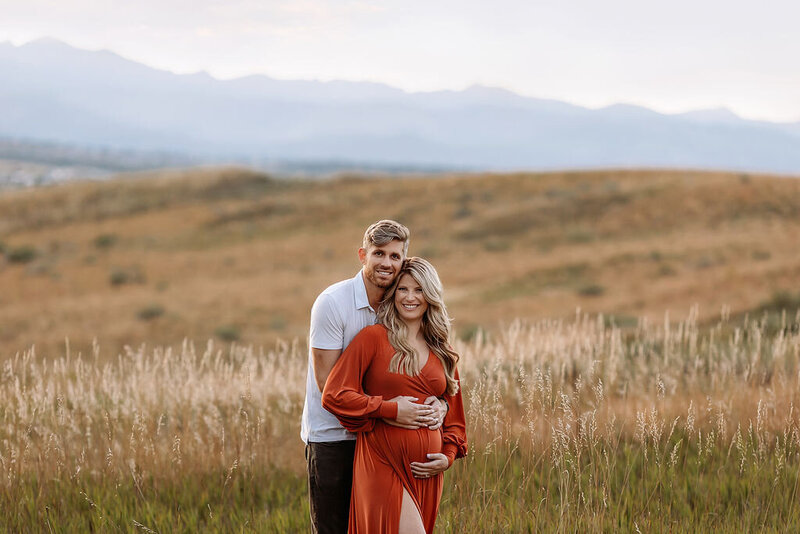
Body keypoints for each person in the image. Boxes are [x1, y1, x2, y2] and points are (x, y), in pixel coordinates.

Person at [301, 221, 447, 534]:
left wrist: (439, 407)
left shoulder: (400, 305)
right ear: (362, 255)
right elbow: (328, 386)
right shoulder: (332, 303)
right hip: (334, 439)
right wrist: (391, 412)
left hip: (383, 444)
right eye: (379, 253)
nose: (386, 263)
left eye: (395, 256)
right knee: (334, 528)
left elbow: (416, 375)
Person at [322, 257, 467, 534]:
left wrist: (447, 456)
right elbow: (334, 395)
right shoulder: (373, 338)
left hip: (425, 473)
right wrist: (389, 409)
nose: (410, 297)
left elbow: (456, 418)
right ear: (393, 294)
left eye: (419, 290)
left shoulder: (442, 349)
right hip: (381, 461)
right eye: (403, 289)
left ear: (431, 295)